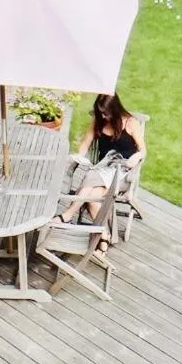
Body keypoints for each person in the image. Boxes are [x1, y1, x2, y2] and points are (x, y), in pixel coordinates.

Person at [53, 93, 146, 255]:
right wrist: (79, 157)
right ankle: (105, 236)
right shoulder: (98, 121)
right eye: (101, 113)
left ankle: (67, 215)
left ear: (115, 109)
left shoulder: (131, 123)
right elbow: (85, 143)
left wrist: (136, 156)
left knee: (90, 176)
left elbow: (143, 150)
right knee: (91, 199)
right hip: (102, 171)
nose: (103, 116)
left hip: (122, 174)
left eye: (106, 113)